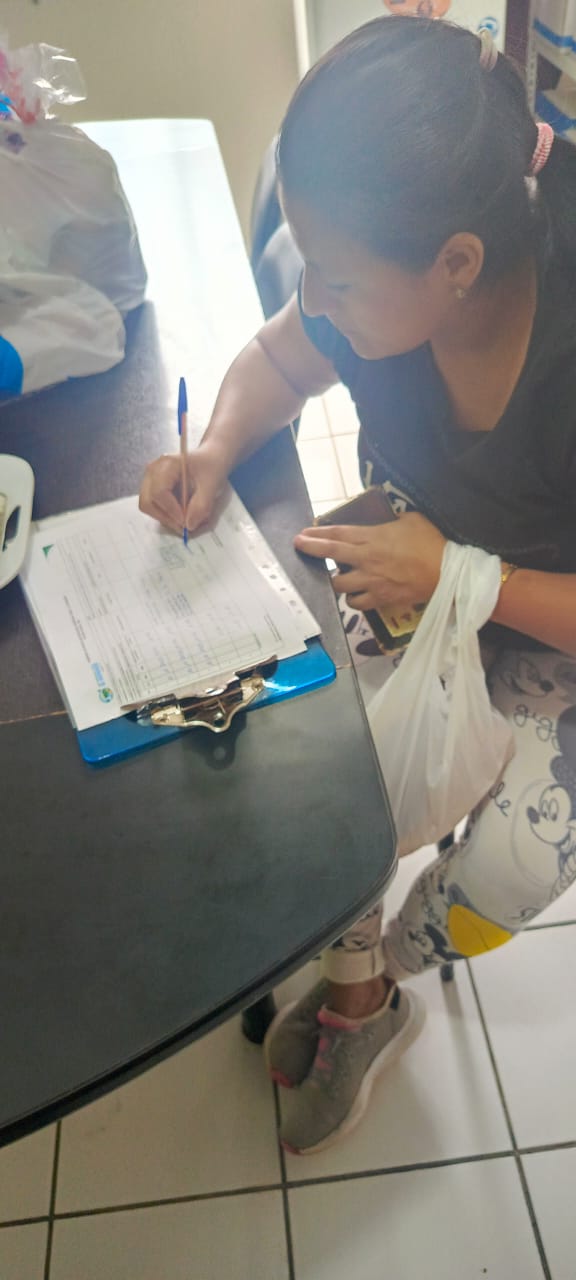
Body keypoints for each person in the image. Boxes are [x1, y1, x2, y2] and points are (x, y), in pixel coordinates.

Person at [139, 16, 576, 1155]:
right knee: (327, 772)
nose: (318, 299)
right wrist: (214, 449)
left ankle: (387, 968)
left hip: (551, 617)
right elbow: (279, 357)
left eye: (337, 279)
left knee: (508, 867)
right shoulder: (371, 279)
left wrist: (466, 579)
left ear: (457, 265)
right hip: (418, 555)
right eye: (309, 268)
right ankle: (355, 988)